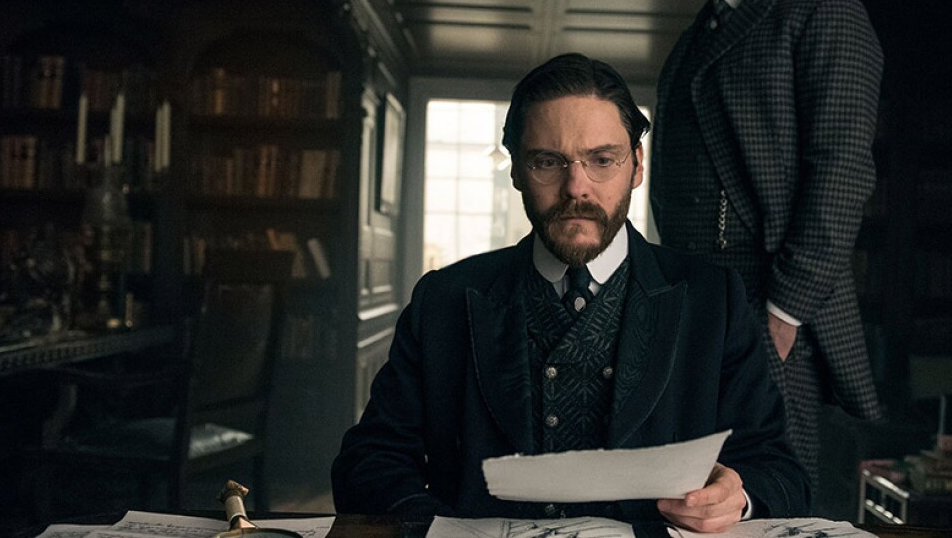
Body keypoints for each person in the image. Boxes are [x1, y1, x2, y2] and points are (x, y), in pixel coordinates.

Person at [332, 53, 809, 531]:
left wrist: (737, 498)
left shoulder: (713, 300)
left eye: (602, 160)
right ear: (516, 170)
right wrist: (438, 528)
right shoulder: (444, 300)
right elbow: (369, 462)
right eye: (548, 161)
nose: (576, 188)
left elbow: (780, 471)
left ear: (636, 166)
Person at [650, 0, 886, 492]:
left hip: (772, 315)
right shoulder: (695, 36)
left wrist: (781, 318)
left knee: (772, 502)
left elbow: (841, 176)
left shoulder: (822, 14)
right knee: (695, 505)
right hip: (694, 314)